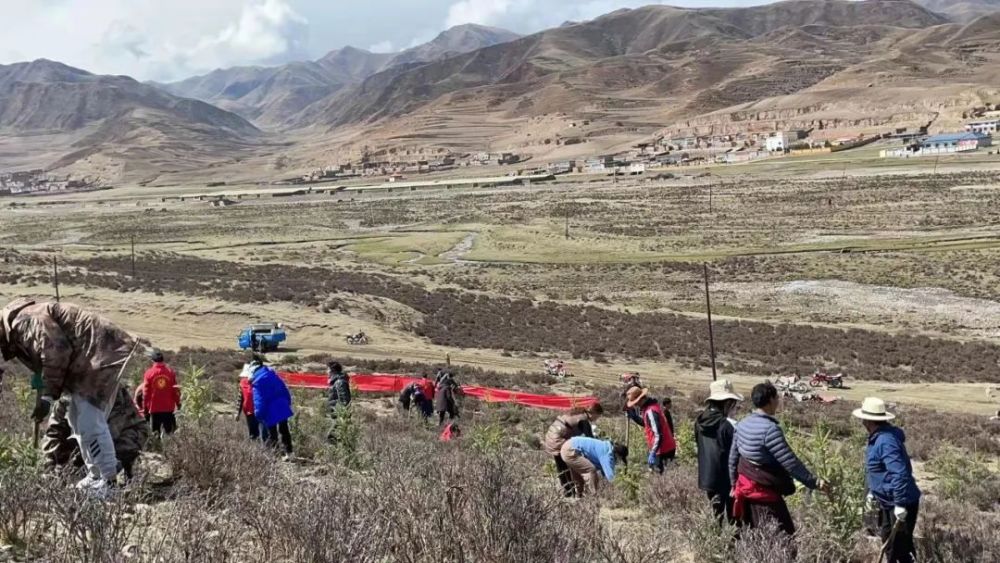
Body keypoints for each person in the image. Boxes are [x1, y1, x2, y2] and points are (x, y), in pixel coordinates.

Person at [0, 299, 137, 495]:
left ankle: (109, 480)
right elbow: (43, 358)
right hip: (92, 356)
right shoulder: (20, 324)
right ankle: (96, 474)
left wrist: (47, 397)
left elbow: (56, 352)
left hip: (99, 354)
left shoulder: (25, 321)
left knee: (90, 419)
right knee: (75, 418)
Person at [728, 381, 829, 536]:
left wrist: (734, 485)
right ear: (770, 400)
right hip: (764, 494)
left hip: (745, 490)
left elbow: (733, 458)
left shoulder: (742, 424)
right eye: (776, 398)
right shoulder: (770, 430)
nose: (778, 402)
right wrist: (813, 481)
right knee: (780, 537)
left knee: (752, 535)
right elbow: (790, 462)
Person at [853, 397, 921, 563]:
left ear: (868, 420)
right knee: (889, 542)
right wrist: (871, 492)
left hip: (899, 502)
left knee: (900, 550)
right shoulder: (877, 437)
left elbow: (899, 473)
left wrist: (899, 504)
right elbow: (876, 470)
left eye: (863, 418)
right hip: (887, 502)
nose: (861, 421)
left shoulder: (885, 441)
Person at [43, 385, 149, 481]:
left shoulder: (112, 391)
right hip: (84, 447)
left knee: (115, 459)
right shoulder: (68, 398)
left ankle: (116, 476)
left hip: (120, 438)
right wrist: (54, 466)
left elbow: (133, 426)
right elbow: (53, 434)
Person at [696, 379, 744, 524]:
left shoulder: (699, 421)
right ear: (727, 403)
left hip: (707, 477)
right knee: (734, 519)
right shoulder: (728, 425)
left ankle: (715, 545)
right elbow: (737, 454)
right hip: (727, 479)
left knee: (715, 516)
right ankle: (732, 546)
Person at [542, 403, 604, 497]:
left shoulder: (576, 414)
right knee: (568, 465)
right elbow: (591, 441)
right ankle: (571, 492)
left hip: (552, 436)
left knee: (562, 466)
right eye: (598, 416)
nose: (597, 419)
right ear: (593, 413)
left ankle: (568, 492)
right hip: (558, 439)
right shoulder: (584, 421)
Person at [249, 355, 294, 457]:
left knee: (272, 433)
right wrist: (287, 402)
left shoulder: (257, 382)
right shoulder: (273, 375)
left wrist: (259, 415)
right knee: (284, 430)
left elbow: (259, 401)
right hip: (282, 405)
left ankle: (276, 455)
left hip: (270, 410)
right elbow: (284, 389)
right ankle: (289, 452)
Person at [626, 387, 677, 473]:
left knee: (660, 477)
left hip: (663, 449)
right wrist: (634, 417)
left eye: (635, 403)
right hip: (664, 447)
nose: (635, 405)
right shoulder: (651, 407)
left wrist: (653, 452)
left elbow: (658, 434)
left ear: (640, 399)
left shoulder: (650, 411)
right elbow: (647, 424)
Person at [559, 436, 628, 496]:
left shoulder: (607, 447)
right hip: (570, 450)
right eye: (620, 458)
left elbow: (604, 470)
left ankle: (579, 498)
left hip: (570, 446)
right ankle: (593, 497)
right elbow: (611, 477)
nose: (619, 461)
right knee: (591, 470)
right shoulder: (607, 454)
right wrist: (622, 489)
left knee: (580, 478)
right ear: (617, 454)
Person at [137, 349, 181, 438]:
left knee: (155, 434)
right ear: (162, 360)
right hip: (169, 408)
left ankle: (157, 450)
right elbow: (175, 390)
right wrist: (178, 403)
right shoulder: (170, 372)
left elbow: (146, 392)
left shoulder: (149, 373)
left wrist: (145, 408)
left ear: (152, 360)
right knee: (170, 434)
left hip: (154, 408)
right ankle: (171, 451)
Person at [235, 363, 260, 440]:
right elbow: (240, 398)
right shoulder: (242, 383)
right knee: (252, 432)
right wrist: (237, 413)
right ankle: (255, 448)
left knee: (261, 432)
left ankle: (261, 449)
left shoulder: (259, 381)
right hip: (249, 411)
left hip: (260, 410)